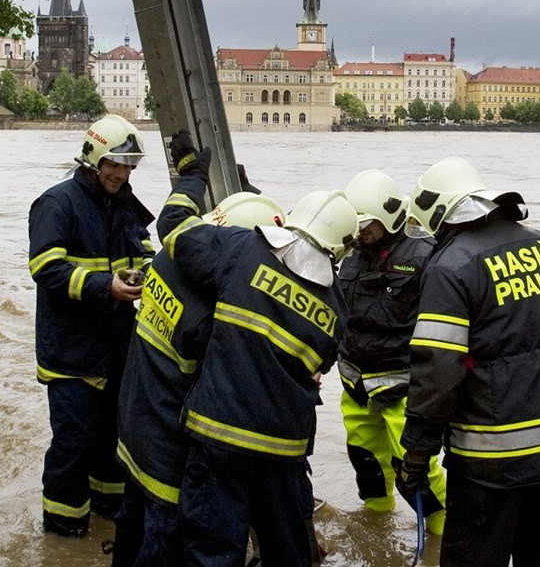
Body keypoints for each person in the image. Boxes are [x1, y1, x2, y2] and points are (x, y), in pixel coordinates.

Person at [158, 139, 356, 567]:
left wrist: (191, 175)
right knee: (287, 550)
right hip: (284, 451)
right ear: (341, 249)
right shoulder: (337, 306)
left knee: (213, 549)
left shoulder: (242, 250)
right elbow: (316, 366)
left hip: (219, 435)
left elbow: (174, 230)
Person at [396, 156, 540, 567]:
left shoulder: (450, 267)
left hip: (493, 465)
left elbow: (438, 373)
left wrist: (417, 453)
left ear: (439, 216)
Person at [113, 144, 284, 567]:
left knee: (129, 530)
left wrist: (196, 177)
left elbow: (177, 212)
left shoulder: (167, 259)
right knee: (162, 545)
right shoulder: (212, 314)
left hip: (135, 426)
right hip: (170, 452)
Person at [27, 114, 154, 537]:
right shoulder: (57, 204)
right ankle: (64, 527)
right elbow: (46, 269)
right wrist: (106, 287)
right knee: (73, 442)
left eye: (129, 166)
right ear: (93, 159)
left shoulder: (126, 204)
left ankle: (108, 511)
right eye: (115, 164)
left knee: (114, 436)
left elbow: (147, 252)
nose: (122, 173)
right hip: (72, 350)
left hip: (117, 344)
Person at [336, 169, 448, 533]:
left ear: (388, 216)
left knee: (416, 471)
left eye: (365, 224)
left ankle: (442, 534)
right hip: (355, 386)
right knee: (365, 461)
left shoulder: (425, 254)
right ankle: (376, 526)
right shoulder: (349, 255)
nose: (360, 232)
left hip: (403, 389)